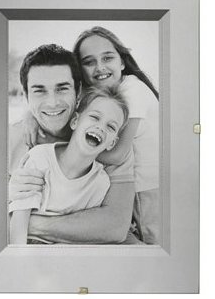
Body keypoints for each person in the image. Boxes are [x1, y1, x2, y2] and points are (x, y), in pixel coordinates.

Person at [8, 44, 136, 244]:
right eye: (39, 91)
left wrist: (25, 223)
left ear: (78, 92)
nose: (52, 103)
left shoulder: (108, 143)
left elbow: (116, 227)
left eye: (62, 88)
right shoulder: (10, 143)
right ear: (26, 96)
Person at [73, 26, 160, 244]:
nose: (100, 67)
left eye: (107, 58)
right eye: (89, 62)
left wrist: (70, 150)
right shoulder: (103, 95)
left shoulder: (132, 90)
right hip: (131, 189)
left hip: (148, 190)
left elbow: (117, 155)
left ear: (122, 61)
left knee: (153, 248)